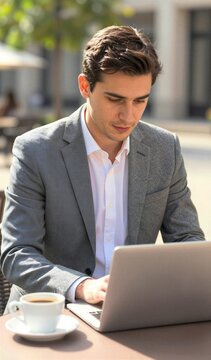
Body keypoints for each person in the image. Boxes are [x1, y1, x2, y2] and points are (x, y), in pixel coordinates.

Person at [1, 25, 205, 310]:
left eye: (140, 101)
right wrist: (84, 287)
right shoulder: (35, 150)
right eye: (115, 99)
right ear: (85, 86)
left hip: (132, 311)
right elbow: (17, 254)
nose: (128, 115)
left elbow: (187, 239)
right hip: (50, 314)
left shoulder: (164, 148)